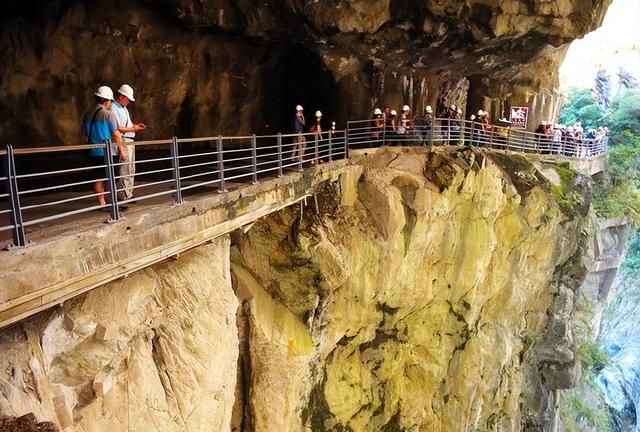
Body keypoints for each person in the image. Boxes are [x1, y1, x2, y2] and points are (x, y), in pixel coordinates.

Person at [81, 86, 127, 208]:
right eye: (111, 101)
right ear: (107, 101)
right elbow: (116, 134)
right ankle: (113, 203)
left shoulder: (87, 114)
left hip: (93, 151)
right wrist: (122, 151)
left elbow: (85, 132)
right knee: (111, 178)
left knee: (98, 177)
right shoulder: (108, 114)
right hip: (108, 152)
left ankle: (102, 203)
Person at [111, 84, 146, 201]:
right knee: (125, 168)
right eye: (128, 99)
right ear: (121, 97)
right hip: (123, 139)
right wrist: (132, 129)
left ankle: (128, 193)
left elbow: (128, 125)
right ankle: (124, 195)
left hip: (129, 139)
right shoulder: (113, 108)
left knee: (131, 168)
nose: (129, 102)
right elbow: (117, 127)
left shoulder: (123, 108)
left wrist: (135, 126)